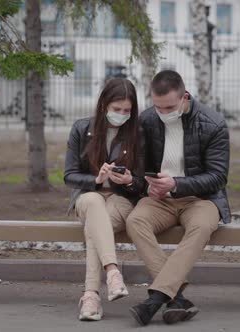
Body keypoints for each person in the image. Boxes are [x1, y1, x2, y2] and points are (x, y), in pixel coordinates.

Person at [126, 70, 230, 326]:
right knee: (135, 220)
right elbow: (139, 169)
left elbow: (218, 177)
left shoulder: (213, 123)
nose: (163, 112)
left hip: (201, 199)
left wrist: (177, 184)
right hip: (160, 199)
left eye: (170, 107)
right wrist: (145, 186)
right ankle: (176, 298)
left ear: (185, 97)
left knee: (202, 225)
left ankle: (155, 299)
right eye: (158, 107)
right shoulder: (147, 120)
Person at [64, 78, 144, 321]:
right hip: (88, 197)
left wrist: (129, 180)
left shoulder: (138, 134)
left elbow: (142, 181)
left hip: (121, 199)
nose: (122, 114)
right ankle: (112, 271)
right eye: (117, 109)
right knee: (95, 204)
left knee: (95, 229)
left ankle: (90, 296)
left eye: (127, 111)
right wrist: (96, 180)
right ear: (103, 105)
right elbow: (69, 176)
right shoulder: (81, 129)